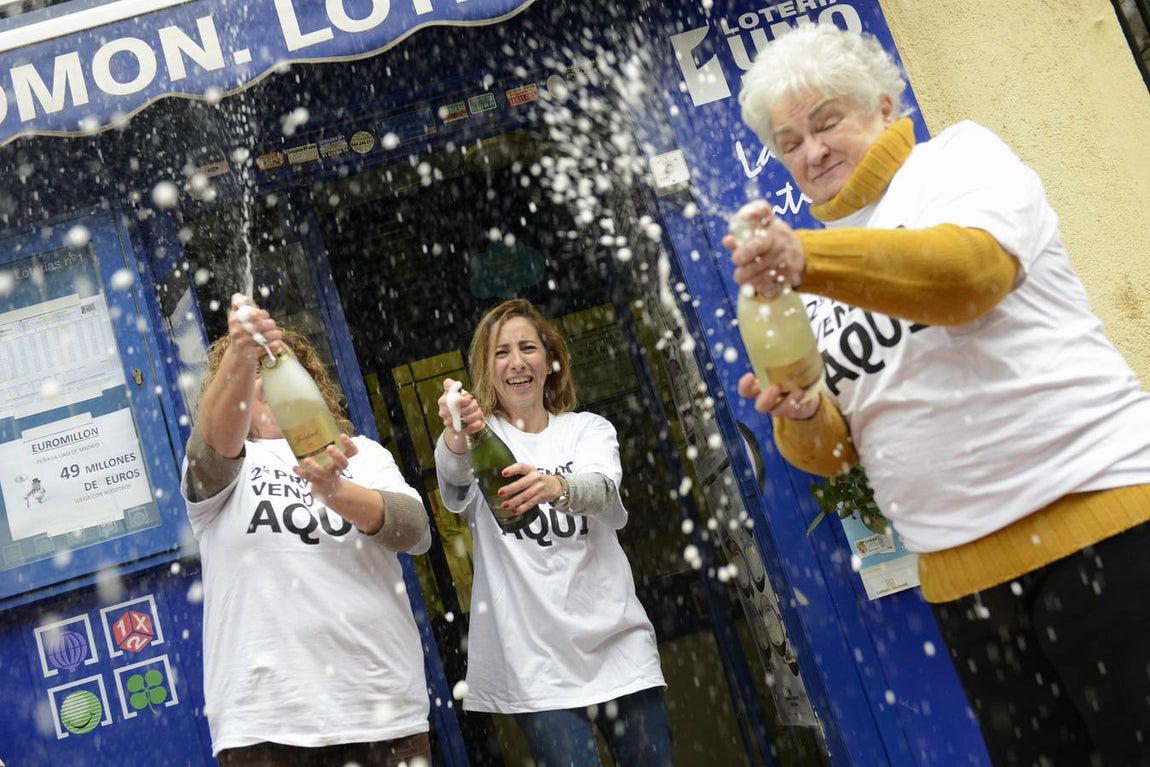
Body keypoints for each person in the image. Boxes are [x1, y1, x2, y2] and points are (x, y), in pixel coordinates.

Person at [725, 22, 1150, 767]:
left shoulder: (958, 160)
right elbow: (838, 451)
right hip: (964, 583)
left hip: (1103, 529)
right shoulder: (808, 275)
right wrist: (803, 415)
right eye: (790, 142)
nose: (812, 152)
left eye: (827, 121)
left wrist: (805, 257)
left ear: (884, 107)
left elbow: (968, 278)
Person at [181, 294, 434, 767]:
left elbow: (415, 531)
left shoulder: (363, 453)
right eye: (258, 369)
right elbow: (209, 454)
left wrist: (336, 490)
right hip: (267, 725)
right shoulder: (232, 467)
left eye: (281, 365)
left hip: (382, 714)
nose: (271, 377)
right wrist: (240, 354)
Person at [433, 298, 672, 767]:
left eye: (528, 348)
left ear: (550, 360)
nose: (517, 362)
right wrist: (457, 430)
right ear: (486, 369)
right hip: (535, 662)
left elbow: (602, 490)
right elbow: (455, 481)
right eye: (501, 352)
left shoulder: (587, 429)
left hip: (619, 645)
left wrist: (554, 486)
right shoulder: (479, 439)